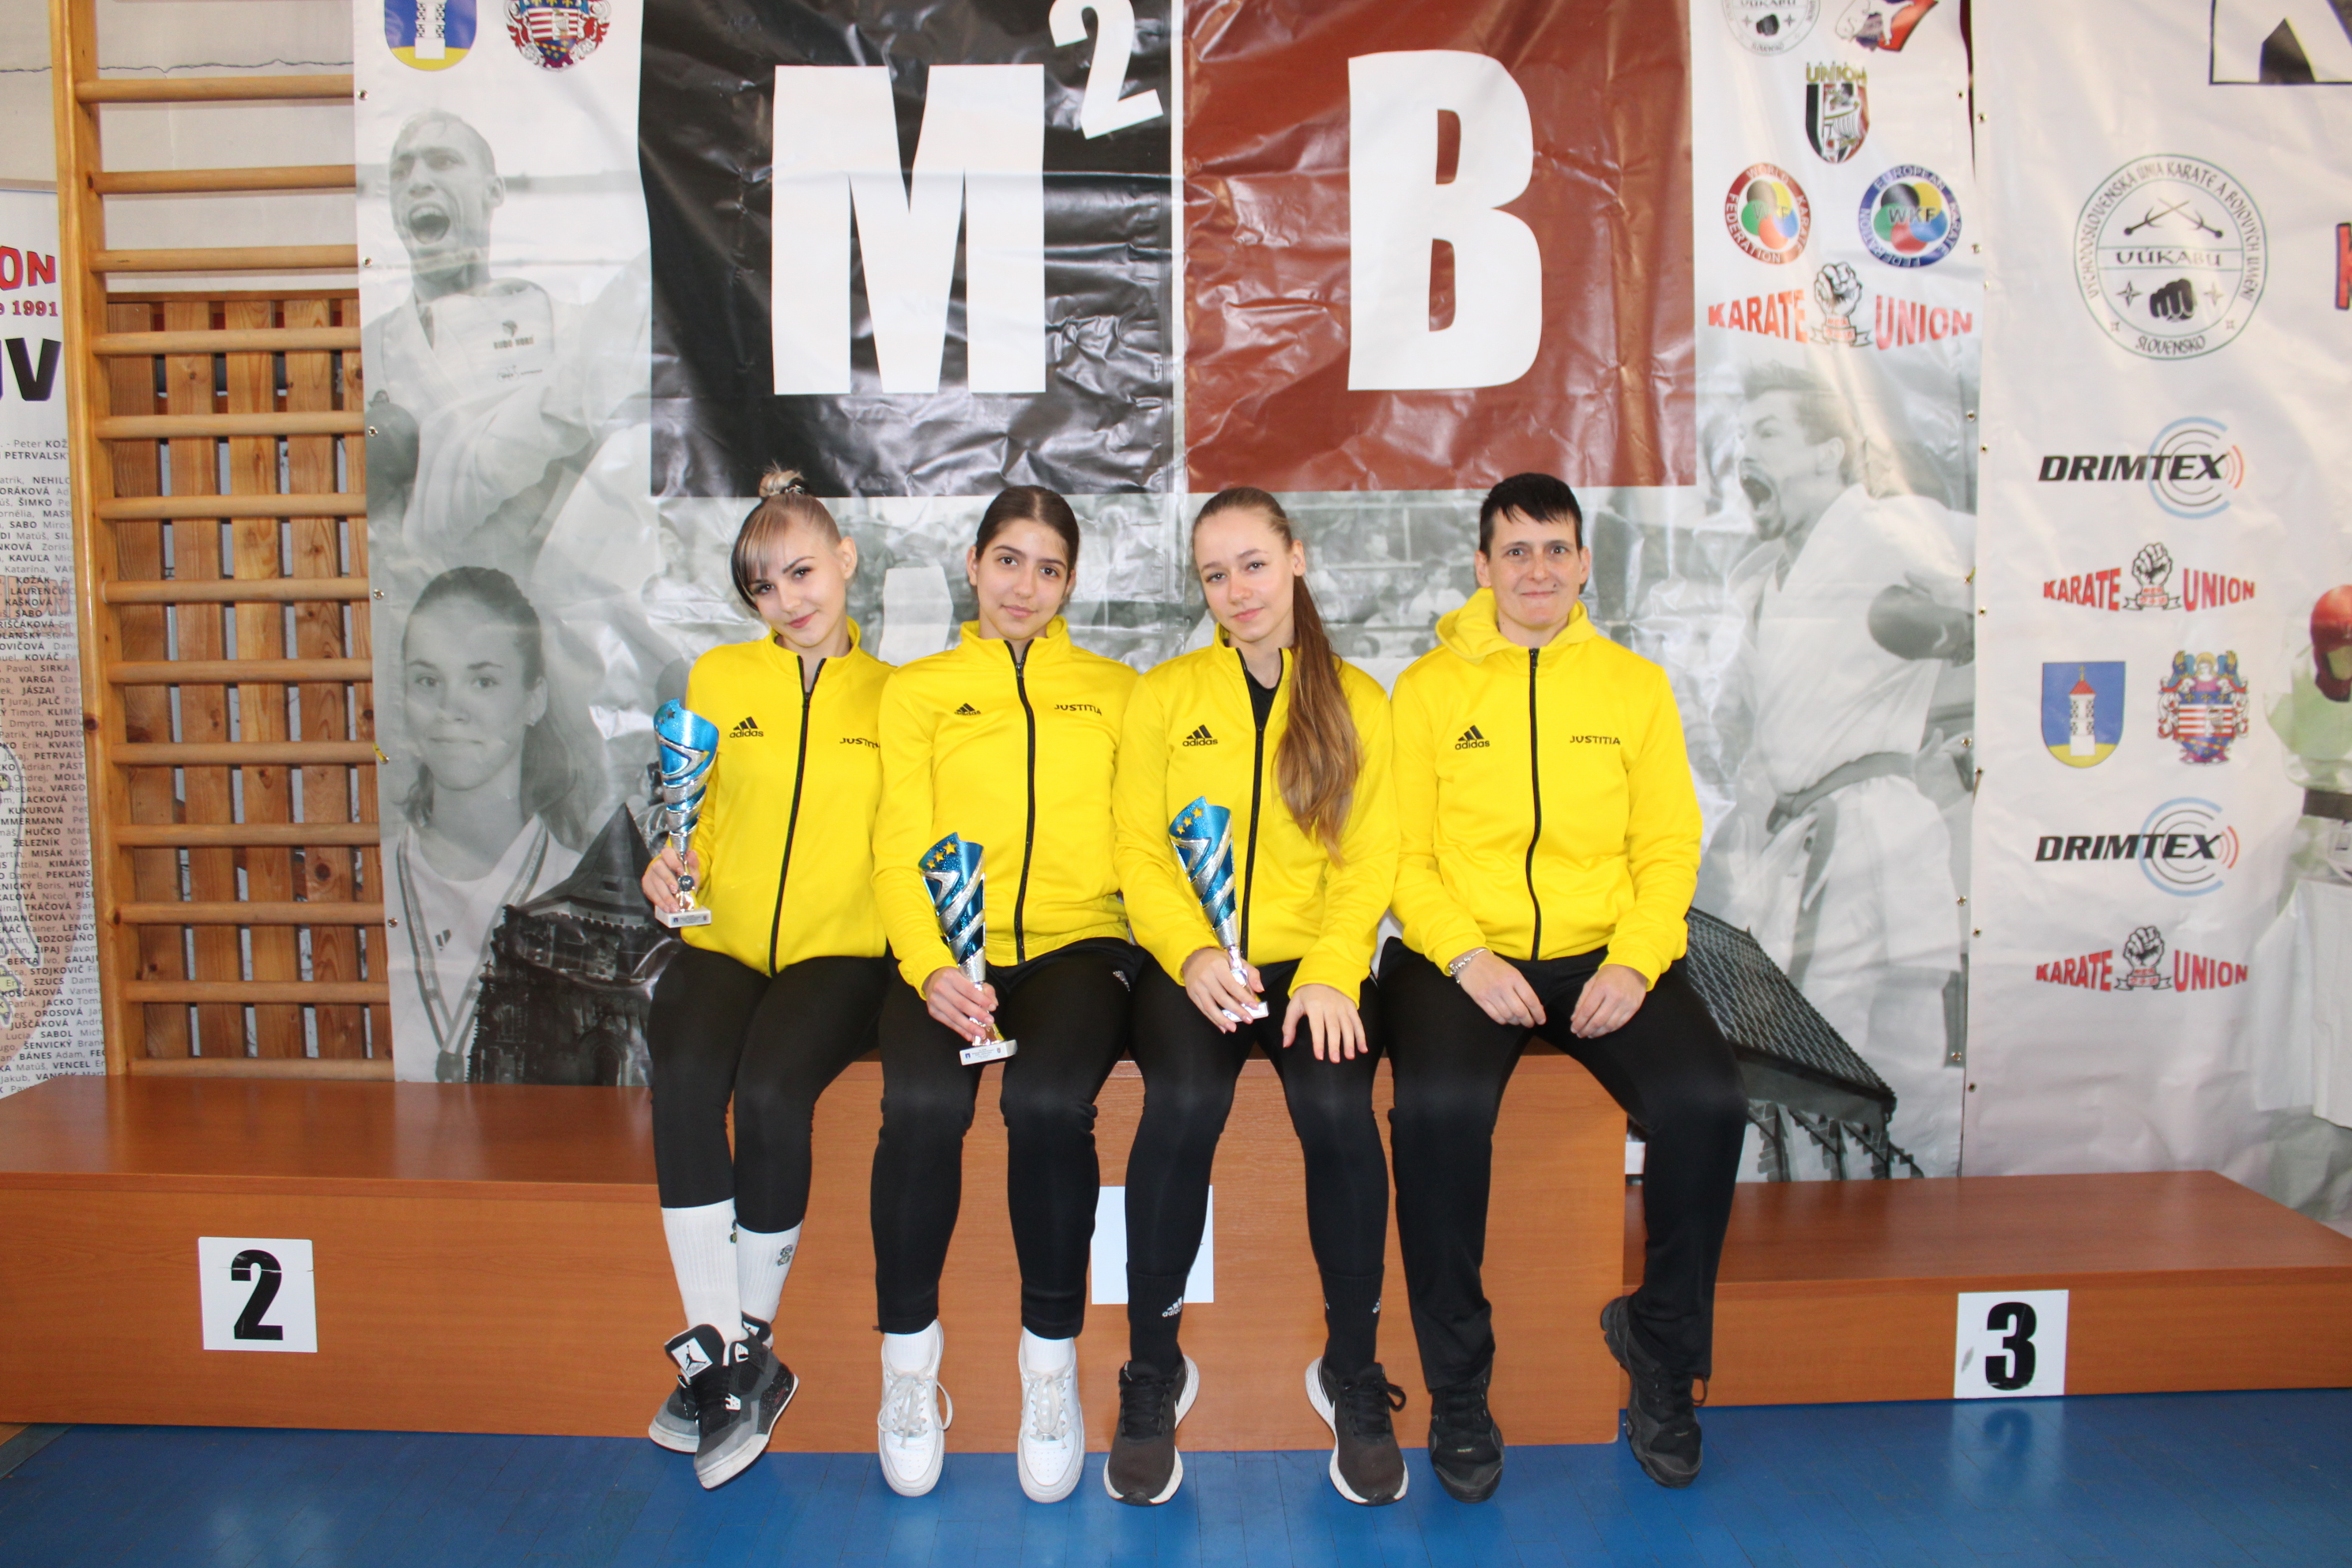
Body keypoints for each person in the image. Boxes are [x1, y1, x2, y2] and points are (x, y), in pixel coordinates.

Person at [1383, 474, 1749, 1498]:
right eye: (1516, 551)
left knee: (1709, 1103)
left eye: (1555, 549)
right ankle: (1460, 1386)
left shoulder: (1634, 686)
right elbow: (1403, 857)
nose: (1536, 570)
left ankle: (1661, 1347)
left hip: (1603, 950)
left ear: (1585, 564)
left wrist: (1633, 959)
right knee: (1436, 1114)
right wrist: (1467, 955)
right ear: (1482, 567)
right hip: (1462, 955)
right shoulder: (1429, 689)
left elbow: (1668, 846)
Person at [1106, 488, 1404, 1507]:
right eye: (1215, 573)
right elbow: (1138, 851)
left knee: (1337, 1108)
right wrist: (1190, 952)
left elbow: (1370, 860)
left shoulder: (1358, 700)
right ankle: (1153, 1371)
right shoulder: (1166, 695)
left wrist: (1329, 968)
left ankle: (1352, 1371)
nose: (1236, 590)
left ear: (1296, 559)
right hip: (1196, 965)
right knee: (1184, 1104)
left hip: (1311, 963)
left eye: (1254, 564)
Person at [867, 487, 1140, 1502]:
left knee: (1048, 1103)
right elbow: (896, 850)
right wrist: (930, 966)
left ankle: (1049, 1367)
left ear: (1070, 582)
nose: (1026, 586)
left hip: (1076, 946)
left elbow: (1141, 840)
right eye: (1009, 561)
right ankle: (908, 1371)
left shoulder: (1116, 692)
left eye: (1050, 568)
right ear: (973, 564)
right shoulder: (919, 692)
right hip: (946, 955)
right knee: (922, 1104)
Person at [635, 470, 895, 1490]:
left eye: (802, 572)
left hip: (841, 953)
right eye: (763, 586)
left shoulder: (896, 696)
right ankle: (729, 1363)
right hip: (727, 943)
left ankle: (741, 1348)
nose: (788, 599)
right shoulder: (719, 677)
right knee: (684, 1074)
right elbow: (692, 818)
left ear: (845, 560)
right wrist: (670, 862)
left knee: (776, 1090)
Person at [1721, 360, 1973, 1169]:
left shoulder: (1885, 529)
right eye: (1742, 434)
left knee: (1816, 1051)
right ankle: (1867, 1204)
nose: (1746, 450)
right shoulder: (1765, 577)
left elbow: (1993, 595)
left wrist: (1947, 630)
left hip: (1861, 825)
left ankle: (1857, 1213)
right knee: (1886, 1055)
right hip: (1824, 831)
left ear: (1829, 453)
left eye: (1767, 433)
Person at [386, 567, 583, 1083]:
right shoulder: (365, 881)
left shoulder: (587, 897)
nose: (450, 709)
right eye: (428, 681)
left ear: (534, 700)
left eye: (483, 681)